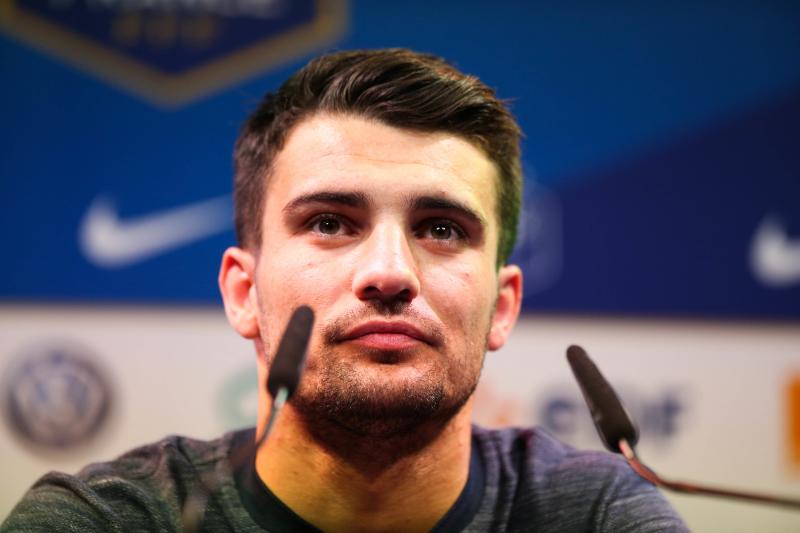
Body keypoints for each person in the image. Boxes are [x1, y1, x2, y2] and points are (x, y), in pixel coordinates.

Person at [3, 48, 687, 532]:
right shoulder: (106, 520)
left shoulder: (598, 515)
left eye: (441, 229)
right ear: (243, 292)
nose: (389, 272)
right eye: (330, 222)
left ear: (502, 306)